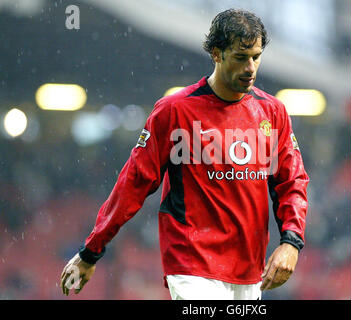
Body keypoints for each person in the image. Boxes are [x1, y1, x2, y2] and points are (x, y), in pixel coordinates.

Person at [60, 8, 309, 300]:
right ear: (216, 54)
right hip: (192, 264)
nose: (250, 68)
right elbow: (134, 183)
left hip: (249, 270)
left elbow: (292, 181)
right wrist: (91, 251)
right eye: (240, 58)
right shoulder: (175, 111)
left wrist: (291, 241)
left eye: (256, 57)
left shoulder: (273, 112)